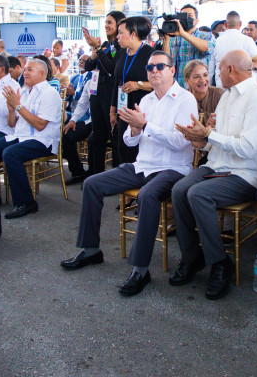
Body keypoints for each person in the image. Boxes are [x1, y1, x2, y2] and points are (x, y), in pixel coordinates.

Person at [60, 51, 197, 296]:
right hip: (142, 165)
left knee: (147, 196)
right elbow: (129, 141)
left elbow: (180, 142)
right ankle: (90, 250)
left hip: (172, 168)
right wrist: (134, 130)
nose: (154, 71)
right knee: (92, 184)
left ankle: (140, 270)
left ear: (172, 70)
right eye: (150, 68)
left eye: (160, 66)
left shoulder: (185, 99)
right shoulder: (146, 100)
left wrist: (145, 126)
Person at [171, 50, 257, 300]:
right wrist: (200, 138)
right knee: (179, 190)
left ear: (231, 70)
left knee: (198, 194)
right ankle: (192, 257)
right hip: (217, 166)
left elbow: (247, 148)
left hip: (245, 174)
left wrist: (208, 135)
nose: (216, 74)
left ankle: (220, 263)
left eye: (218, 69)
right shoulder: (227, 96)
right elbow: (217, 142)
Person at [0, 58, 62, 219]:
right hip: (20, 136)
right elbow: (12, 124)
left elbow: (40, 125)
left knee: (10, 153)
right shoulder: (23, 91)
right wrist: (11, 110)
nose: (25, 73)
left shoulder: (49, 93)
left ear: (42, 74)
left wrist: (17, 106)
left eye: (30, 70)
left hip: (42, 140)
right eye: (25, 69)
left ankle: (26, 203)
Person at [83, 10, 125, 175]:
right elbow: (88, 66)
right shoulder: (106, 44)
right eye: (106, 22)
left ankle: (115, 176)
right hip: (97, 92)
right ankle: (95, 175)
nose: (106, 25)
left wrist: (99, 49)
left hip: (111, 93)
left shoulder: (121, 46)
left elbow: (112, 69)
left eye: (110, 22)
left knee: (114, 135)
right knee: (97, 136)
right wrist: (95, 49)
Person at [109, 16, 154, 166]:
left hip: (143, 110)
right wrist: (112, 110)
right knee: (123, 149)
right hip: (123, 109)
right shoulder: (121, 53)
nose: (117, 36)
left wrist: (139, 85)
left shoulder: (150, 54)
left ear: (133, 34)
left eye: (121, 32)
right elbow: (117, 82)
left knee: (139, 151)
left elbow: (160, 84)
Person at [158, 4, 214, 88]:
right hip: (177, 87)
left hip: (198, 87)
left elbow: (207, 48)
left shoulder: (206, 36)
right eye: (183, 16)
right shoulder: (173, 38)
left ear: (196, 21)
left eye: (190, 16)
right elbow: (166, 61)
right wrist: (166, 39)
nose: (186, 19)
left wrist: (183, 34)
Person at [62, 57, 93, 184]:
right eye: (80, 60)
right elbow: (80, 102)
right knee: (65, 134)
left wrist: (74, 93)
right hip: (78, 115)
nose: (81, 62)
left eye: (85, 61)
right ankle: (78, 172)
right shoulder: (76, 78)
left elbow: (85, 101)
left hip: (92, 118)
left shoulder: (93, 77)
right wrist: (73, 120)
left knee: (93, 139)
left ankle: (93, 175)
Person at [211, 11, 257, 85]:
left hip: (221, 84)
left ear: (225, 24)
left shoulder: (216, 42)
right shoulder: (248, 41)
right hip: (243, 84)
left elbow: (211, 68)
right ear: (240, 24)